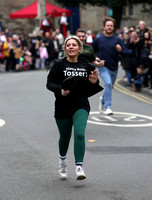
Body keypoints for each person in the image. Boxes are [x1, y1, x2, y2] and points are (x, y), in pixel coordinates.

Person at [46, 35, 102, 180]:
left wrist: (94, 82)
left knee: (79, 134)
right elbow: (49, 84)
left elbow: (91, 87)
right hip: (62, 106)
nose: (71, 47)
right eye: (68, 45)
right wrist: (60, 90)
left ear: (79, 49)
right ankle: (62, 163)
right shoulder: (58, 64)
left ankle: (79, 167)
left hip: (81, 105)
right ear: (65, 48)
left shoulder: (87, 66)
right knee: (64, 138)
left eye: (74, 45)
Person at [92, 17, 128, 115]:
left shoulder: (117, 39)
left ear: (113, 27)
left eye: (111, 26)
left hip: (114, 68)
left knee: (109, 86)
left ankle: (102, 99)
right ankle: (108, 107)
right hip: (102, 67)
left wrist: (120, 50)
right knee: (108, 84)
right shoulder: (98, 39)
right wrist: (95, 59)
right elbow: (91, 51)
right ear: (104, 27)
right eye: (107, 25)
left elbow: (126, 52)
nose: (109, 27)